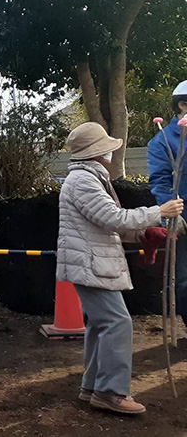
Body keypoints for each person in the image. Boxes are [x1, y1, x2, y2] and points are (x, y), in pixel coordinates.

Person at [61, 122, 183, 415]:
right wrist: (159, 213)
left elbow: (104, 224)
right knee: (117, 323)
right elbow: (112, 218)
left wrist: (144, 234)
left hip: (90, 261)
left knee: (101, 324)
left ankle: (93, 387)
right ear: (98, 152)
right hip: (90, 263)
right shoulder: (83, 181)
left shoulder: (89, 178)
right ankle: (110, 391)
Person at [147, 79, 187, 329]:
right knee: (184, 281)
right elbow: (161, 181)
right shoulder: (162, 142)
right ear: (182, 105)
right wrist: (171, 212)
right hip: (184, 220)